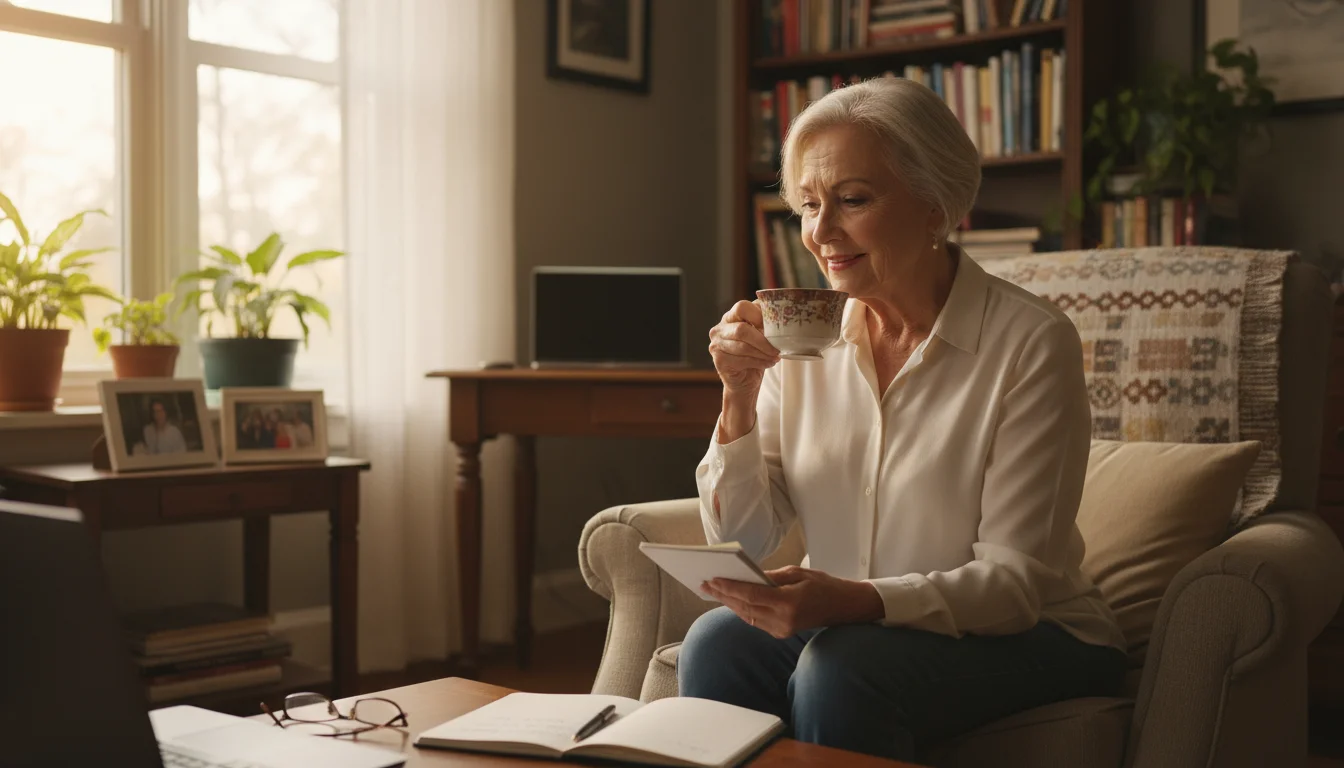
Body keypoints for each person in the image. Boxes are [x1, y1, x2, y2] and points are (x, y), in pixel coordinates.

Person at [681, 77, 1127, 762]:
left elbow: (1012, 589)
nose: (821, 232)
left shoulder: (1030, 342)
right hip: (848, 625)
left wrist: (853, 601)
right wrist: (737, 397)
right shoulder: (802, 340)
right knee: (716, 641)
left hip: (1032, 636)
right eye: (807, 205)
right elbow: (744, 535)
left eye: (852, 200)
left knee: (845, 668)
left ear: (935, 206)